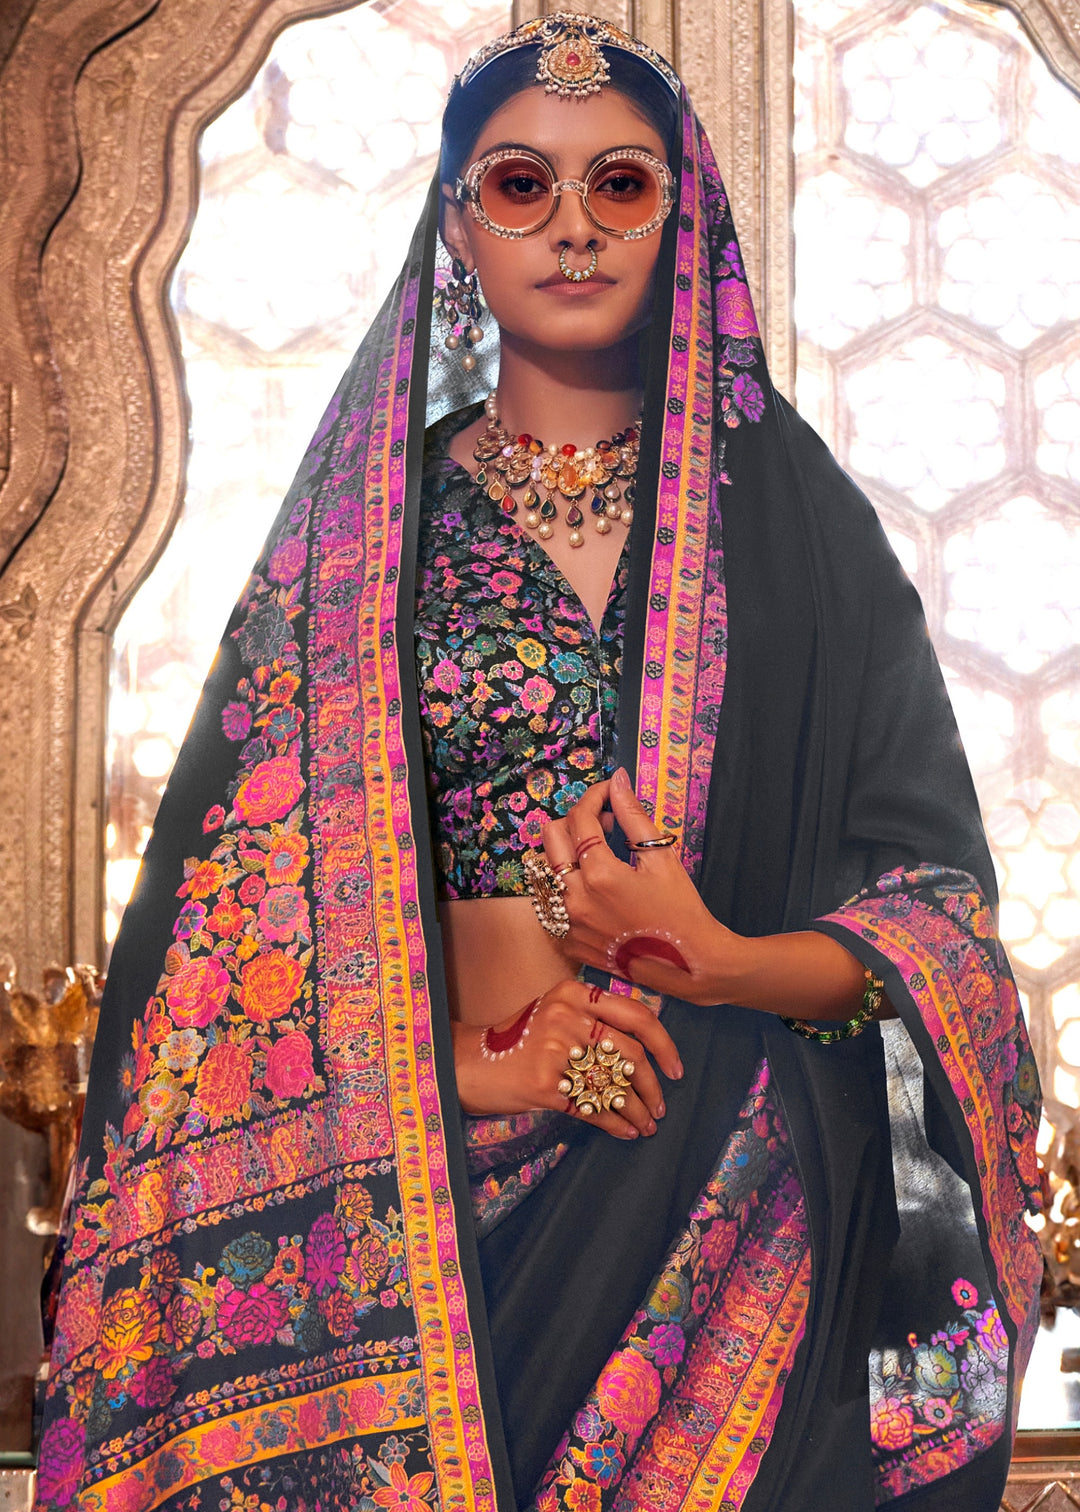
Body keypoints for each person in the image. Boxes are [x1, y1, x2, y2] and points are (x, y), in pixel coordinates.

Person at [34, 14, 1042, 1512]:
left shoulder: (796, 526)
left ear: (681, 216)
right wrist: (451, 1064)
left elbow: (939, 925)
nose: (573, 227)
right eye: (521, 184)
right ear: (458, 224)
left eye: (619, 184)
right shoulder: (366, 538)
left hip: (742, 1222)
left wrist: (718, 963)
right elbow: (221, 948)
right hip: (434, 1234)